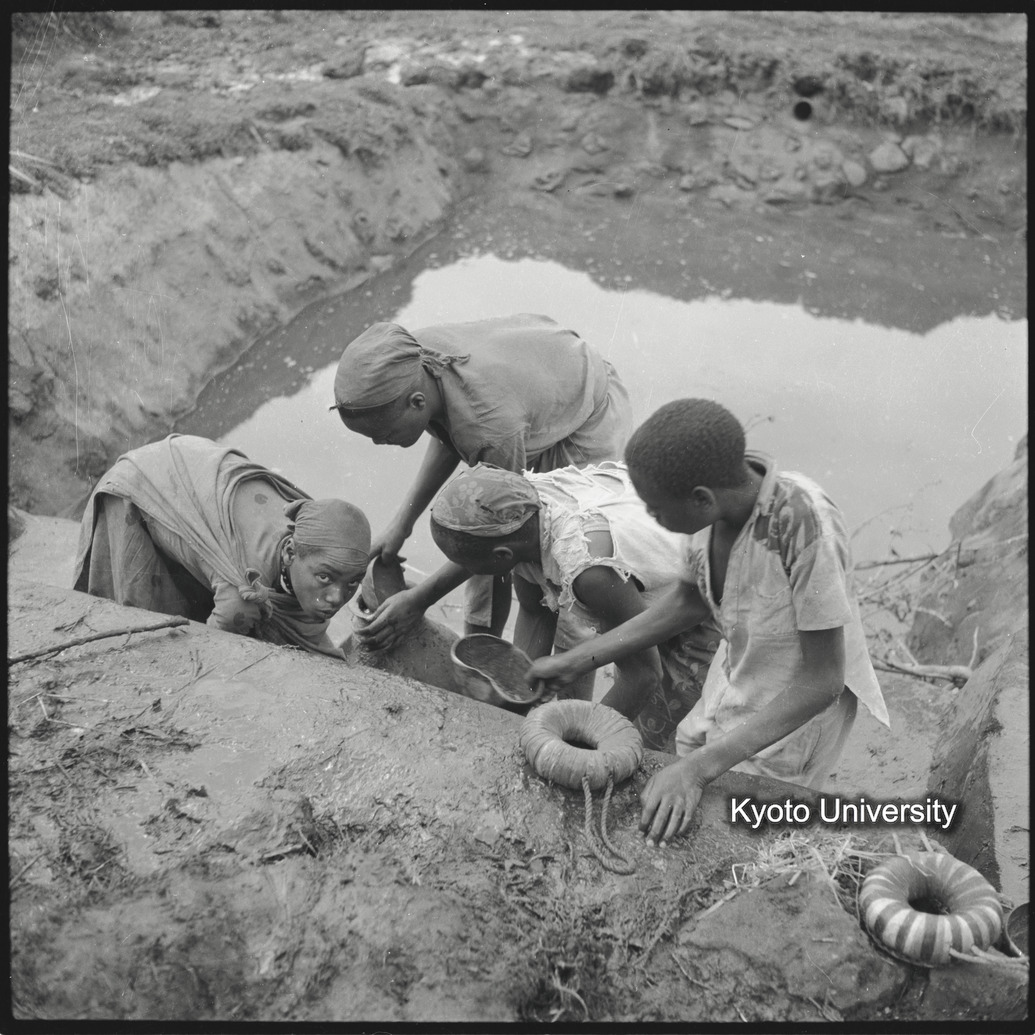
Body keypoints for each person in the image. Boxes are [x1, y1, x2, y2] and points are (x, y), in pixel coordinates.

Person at [528, 398, 890, 846]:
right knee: (691, 761)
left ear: (701, 498)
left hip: (794, 714)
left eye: (656, 510)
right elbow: (690, 599)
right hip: (737, 670)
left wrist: (698, 771)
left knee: (750, 833)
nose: (651, 518)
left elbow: (823, 681)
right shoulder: (714, 509)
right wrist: (581, 659)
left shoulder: (804, 526)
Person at [332, 313, 631, 638]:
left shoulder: (490, 428)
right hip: (536, 379)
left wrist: (420, 600)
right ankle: (480, 645)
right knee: (477, 530)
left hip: (584, 412)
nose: (379, 443)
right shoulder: (408, 361)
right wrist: (401, 524)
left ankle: (553, 657)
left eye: (384, 433)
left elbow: (495, 529)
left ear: (417, 402)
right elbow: (450, 431)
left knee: (556, 570)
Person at [424, 461, 721, 751]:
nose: (463, 571)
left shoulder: (589, 571)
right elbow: (535, 610)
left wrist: (576, 748)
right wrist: (517, 698)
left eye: (466, 565)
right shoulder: (521, 517)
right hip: (638, 582)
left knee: (648, 734)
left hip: (697, 608)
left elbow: (643, 676)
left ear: (502, 555)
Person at [73, 434, 370, 656]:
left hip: (195, 465)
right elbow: (212, 652)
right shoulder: (242, 593)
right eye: (325, 578)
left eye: (352, 583)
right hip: (144, 484)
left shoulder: (312, 529)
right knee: (148, 632)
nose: (337, 598)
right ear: (290, 552)